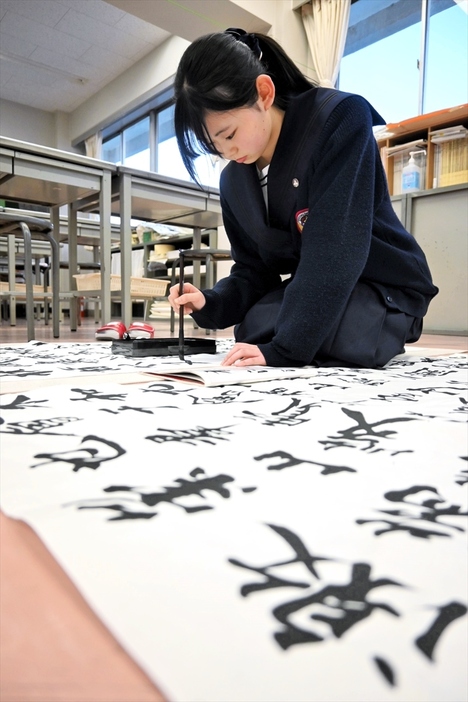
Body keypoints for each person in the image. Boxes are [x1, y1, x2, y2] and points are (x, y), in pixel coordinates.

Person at [168, 28, 438, 368]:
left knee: (323, 332)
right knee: (253, 326)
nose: (226, 152)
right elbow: (253, 271)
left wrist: (285, 350)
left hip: (383, 282)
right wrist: (210, 301)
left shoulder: (338, 119)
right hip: (323, 282)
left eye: (229, 134)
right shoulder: (234, 180)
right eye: (214, 147)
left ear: (263, 93)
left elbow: (335, 250)